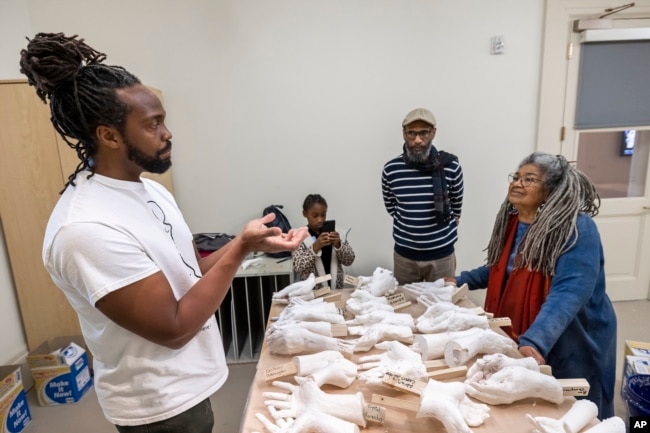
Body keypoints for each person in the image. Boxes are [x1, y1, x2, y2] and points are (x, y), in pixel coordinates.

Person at [20, 33, 308, 433]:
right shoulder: (85, 229)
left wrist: (249, 245)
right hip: (156, 407)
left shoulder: (149, 188)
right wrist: (240, 247)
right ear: (109, 135)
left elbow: (189, 270)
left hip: (190, 385)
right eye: (153, 124)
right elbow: (174, 327)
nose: (168, 133)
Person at [448, 152, 616, 419]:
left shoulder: (577, 229)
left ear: (550, 190)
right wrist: (461, 280)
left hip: (572, 335)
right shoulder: (515, 221)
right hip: (530, 332)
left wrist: (536, 340)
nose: (517, 183)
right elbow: (503, 269)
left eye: (529, 179)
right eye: (515, 177)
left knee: (576, 407)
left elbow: (569, 292)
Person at [381, 108, 464, 285]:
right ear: (404, 134)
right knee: (404, 308)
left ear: (433, 133)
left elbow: (456, 207)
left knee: (442, 306)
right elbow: (392, 207)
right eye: (412, 133)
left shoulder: (450, 166)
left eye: (424, 133)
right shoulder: (391, 169)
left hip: (442, 257)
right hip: (405, 258)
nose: (417, 140)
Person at [292, 194, 355, 289]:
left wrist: (339, 245)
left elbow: (349, 260)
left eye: (323, 215)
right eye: (315, 216)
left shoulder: (336, 233)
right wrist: (315, 247)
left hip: (336, 291)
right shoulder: (300, 236)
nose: (320, 220)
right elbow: (299, 268)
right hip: (313, 295)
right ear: (305, 213)